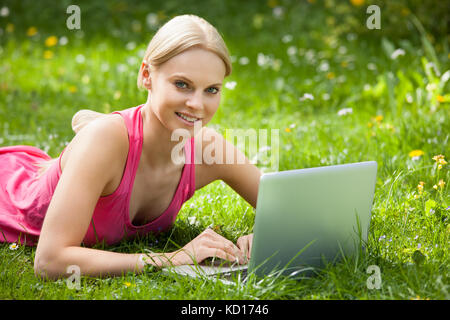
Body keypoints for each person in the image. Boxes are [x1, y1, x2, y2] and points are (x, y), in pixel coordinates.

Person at [0, 14, 261, 280]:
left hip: (104, 147)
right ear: (146, 75)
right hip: (7, 188)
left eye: (211, 90)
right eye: (182, 84)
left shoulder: (209, 150)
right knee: (103, 141)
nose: (197, 104)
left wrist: (265, 235)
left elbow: (292, 207)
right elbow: (50, 261)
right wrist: (171, 259)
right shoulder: (104, 143)